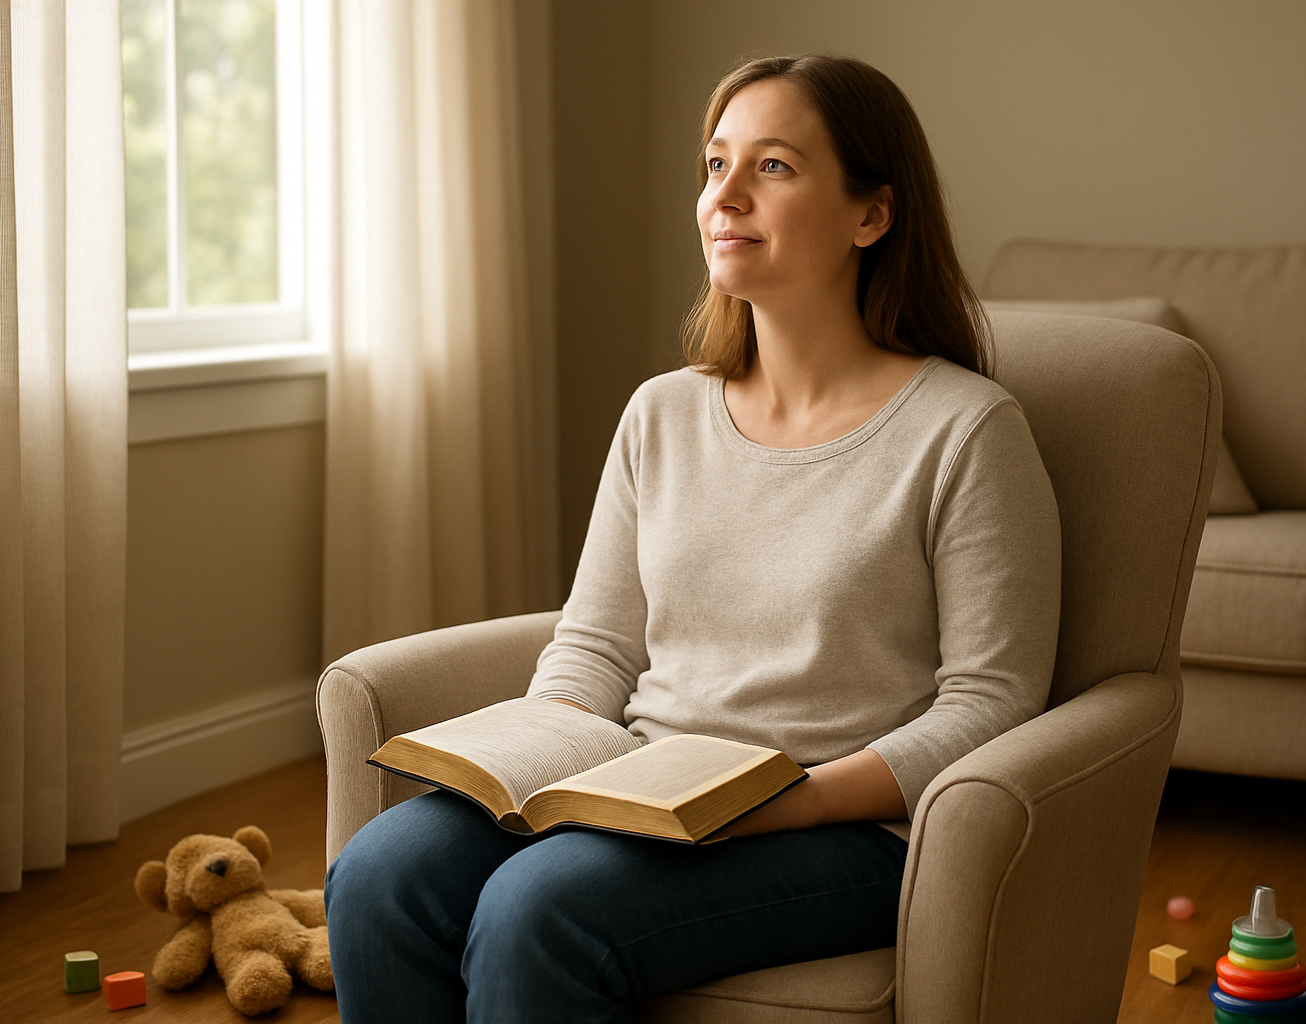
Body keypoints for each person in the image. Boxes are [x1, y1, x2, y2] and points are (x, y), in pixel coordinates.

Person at [324, 53, 1061, 1024]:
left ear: (871, 215)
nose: (727, 195)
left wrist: (789, 798)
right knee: (379, 874)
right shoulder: (662, 413)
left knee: (535, 910)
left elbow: (991, 705)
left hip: (847, 825)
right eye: (716, 165)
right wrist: (535, 770)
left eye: (775, 167)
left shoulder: (964, 430)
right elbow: (595, 646)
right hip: (643, 787)